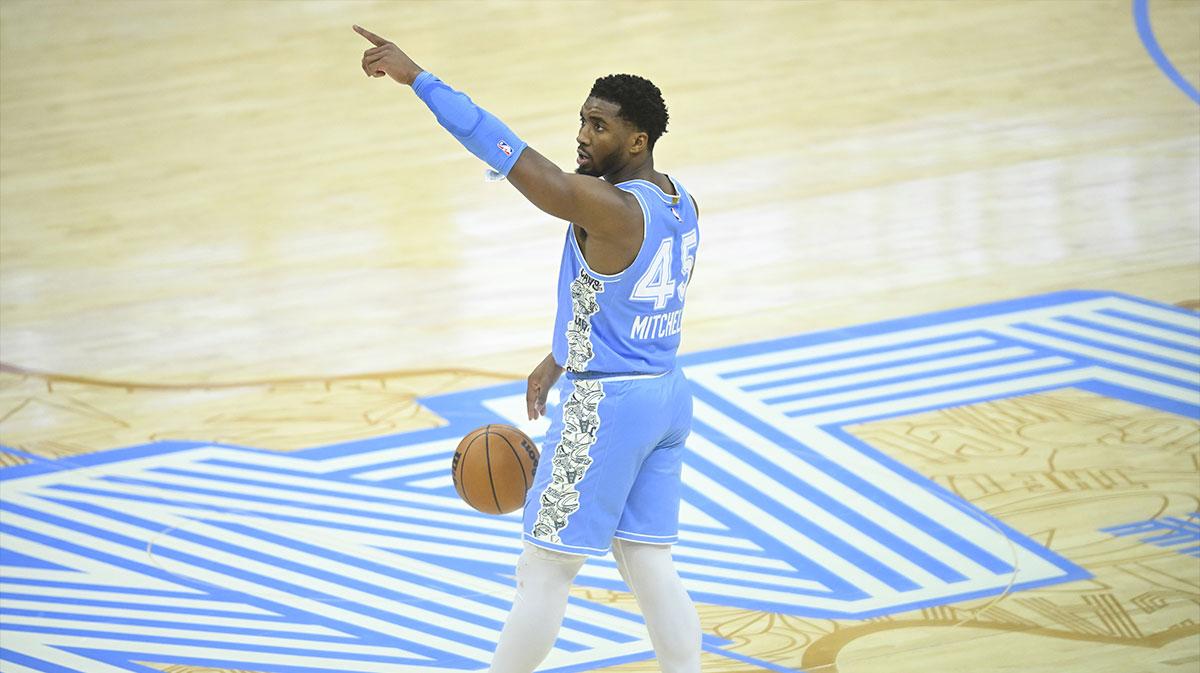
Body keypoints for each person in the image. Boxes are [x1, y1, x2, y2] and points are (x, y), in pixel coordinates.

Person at [355, 25, 702, 673]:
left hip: (611, 406)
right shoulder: (679, 202)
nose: (582, 135)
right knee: (646, 557)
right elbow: (623, 294)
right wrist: (561, 353)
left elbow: (512, 154)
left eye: (598, 126)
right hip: (666, 394)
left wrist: (419, 80)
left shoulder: (607, 206)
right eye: (582, 120)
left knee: (543, 567)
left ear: (637, 140)